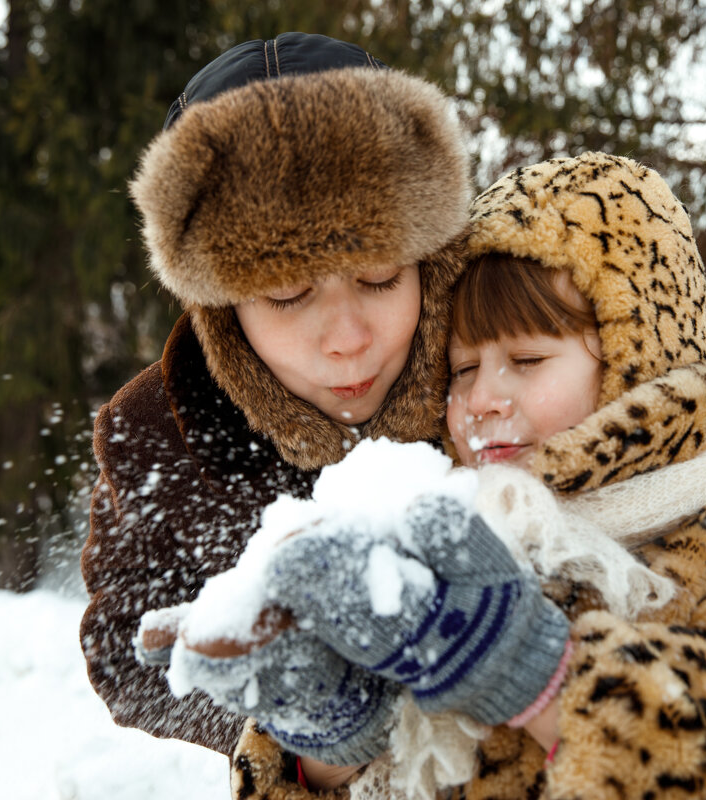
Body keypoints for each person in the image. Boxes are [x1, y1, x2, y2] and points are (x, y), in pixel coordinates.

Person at [195, 152, 706, 798]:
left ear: (631, 361)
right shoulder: (428, 549)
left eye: (525, 360)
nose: (481, 398)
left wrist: (535, 673)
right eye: (461, 370)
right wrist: (327, 750)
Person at [78, 30, 471, 792]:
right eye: (289, 296)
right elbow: (126, 657)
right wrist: (301, 733)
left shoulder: (498, 356)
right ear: (222, 311)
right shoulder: (162, 431)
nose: (349, 341)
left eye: (382, 278)